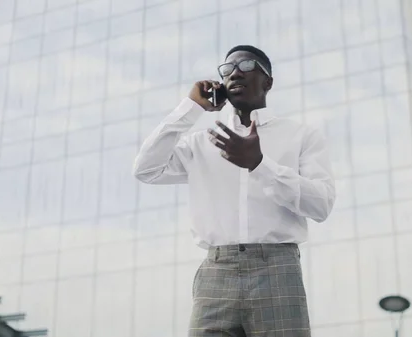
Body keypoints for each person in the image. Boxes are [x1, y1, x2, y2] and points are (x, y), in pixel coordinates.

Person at [133, 45, 335, 337]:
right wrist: (191, 108)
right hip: (217, 270)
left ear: (268, 82)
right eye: (227, 69)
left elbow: (322, 205)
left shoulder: (301, 135)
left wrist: (259, 164)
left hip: (277, 269)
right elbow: (145, 169)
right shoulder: (201, 142)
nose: (235, 72)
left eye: (247, 65)